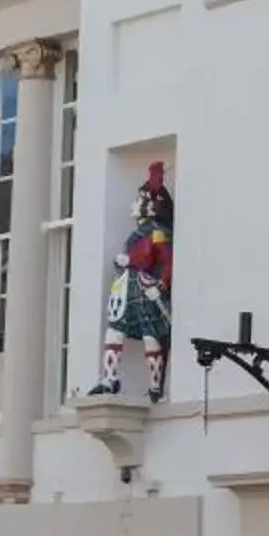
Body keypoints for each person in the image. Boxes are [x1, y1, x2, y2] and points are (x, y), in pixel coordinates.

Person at [87, 162, 175, 403]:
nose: (134, 203)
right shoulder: (138, 233)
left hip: (145, 288)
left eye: (139, 199)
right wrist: (121, 263)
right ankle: (109, 378)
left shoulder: (157, 231)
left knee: (151, 335)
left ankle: (155, 386)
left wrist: (162, 285)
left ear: (150, 206)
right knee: (114, 329)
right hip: (127, 287)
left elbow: (166, 261)